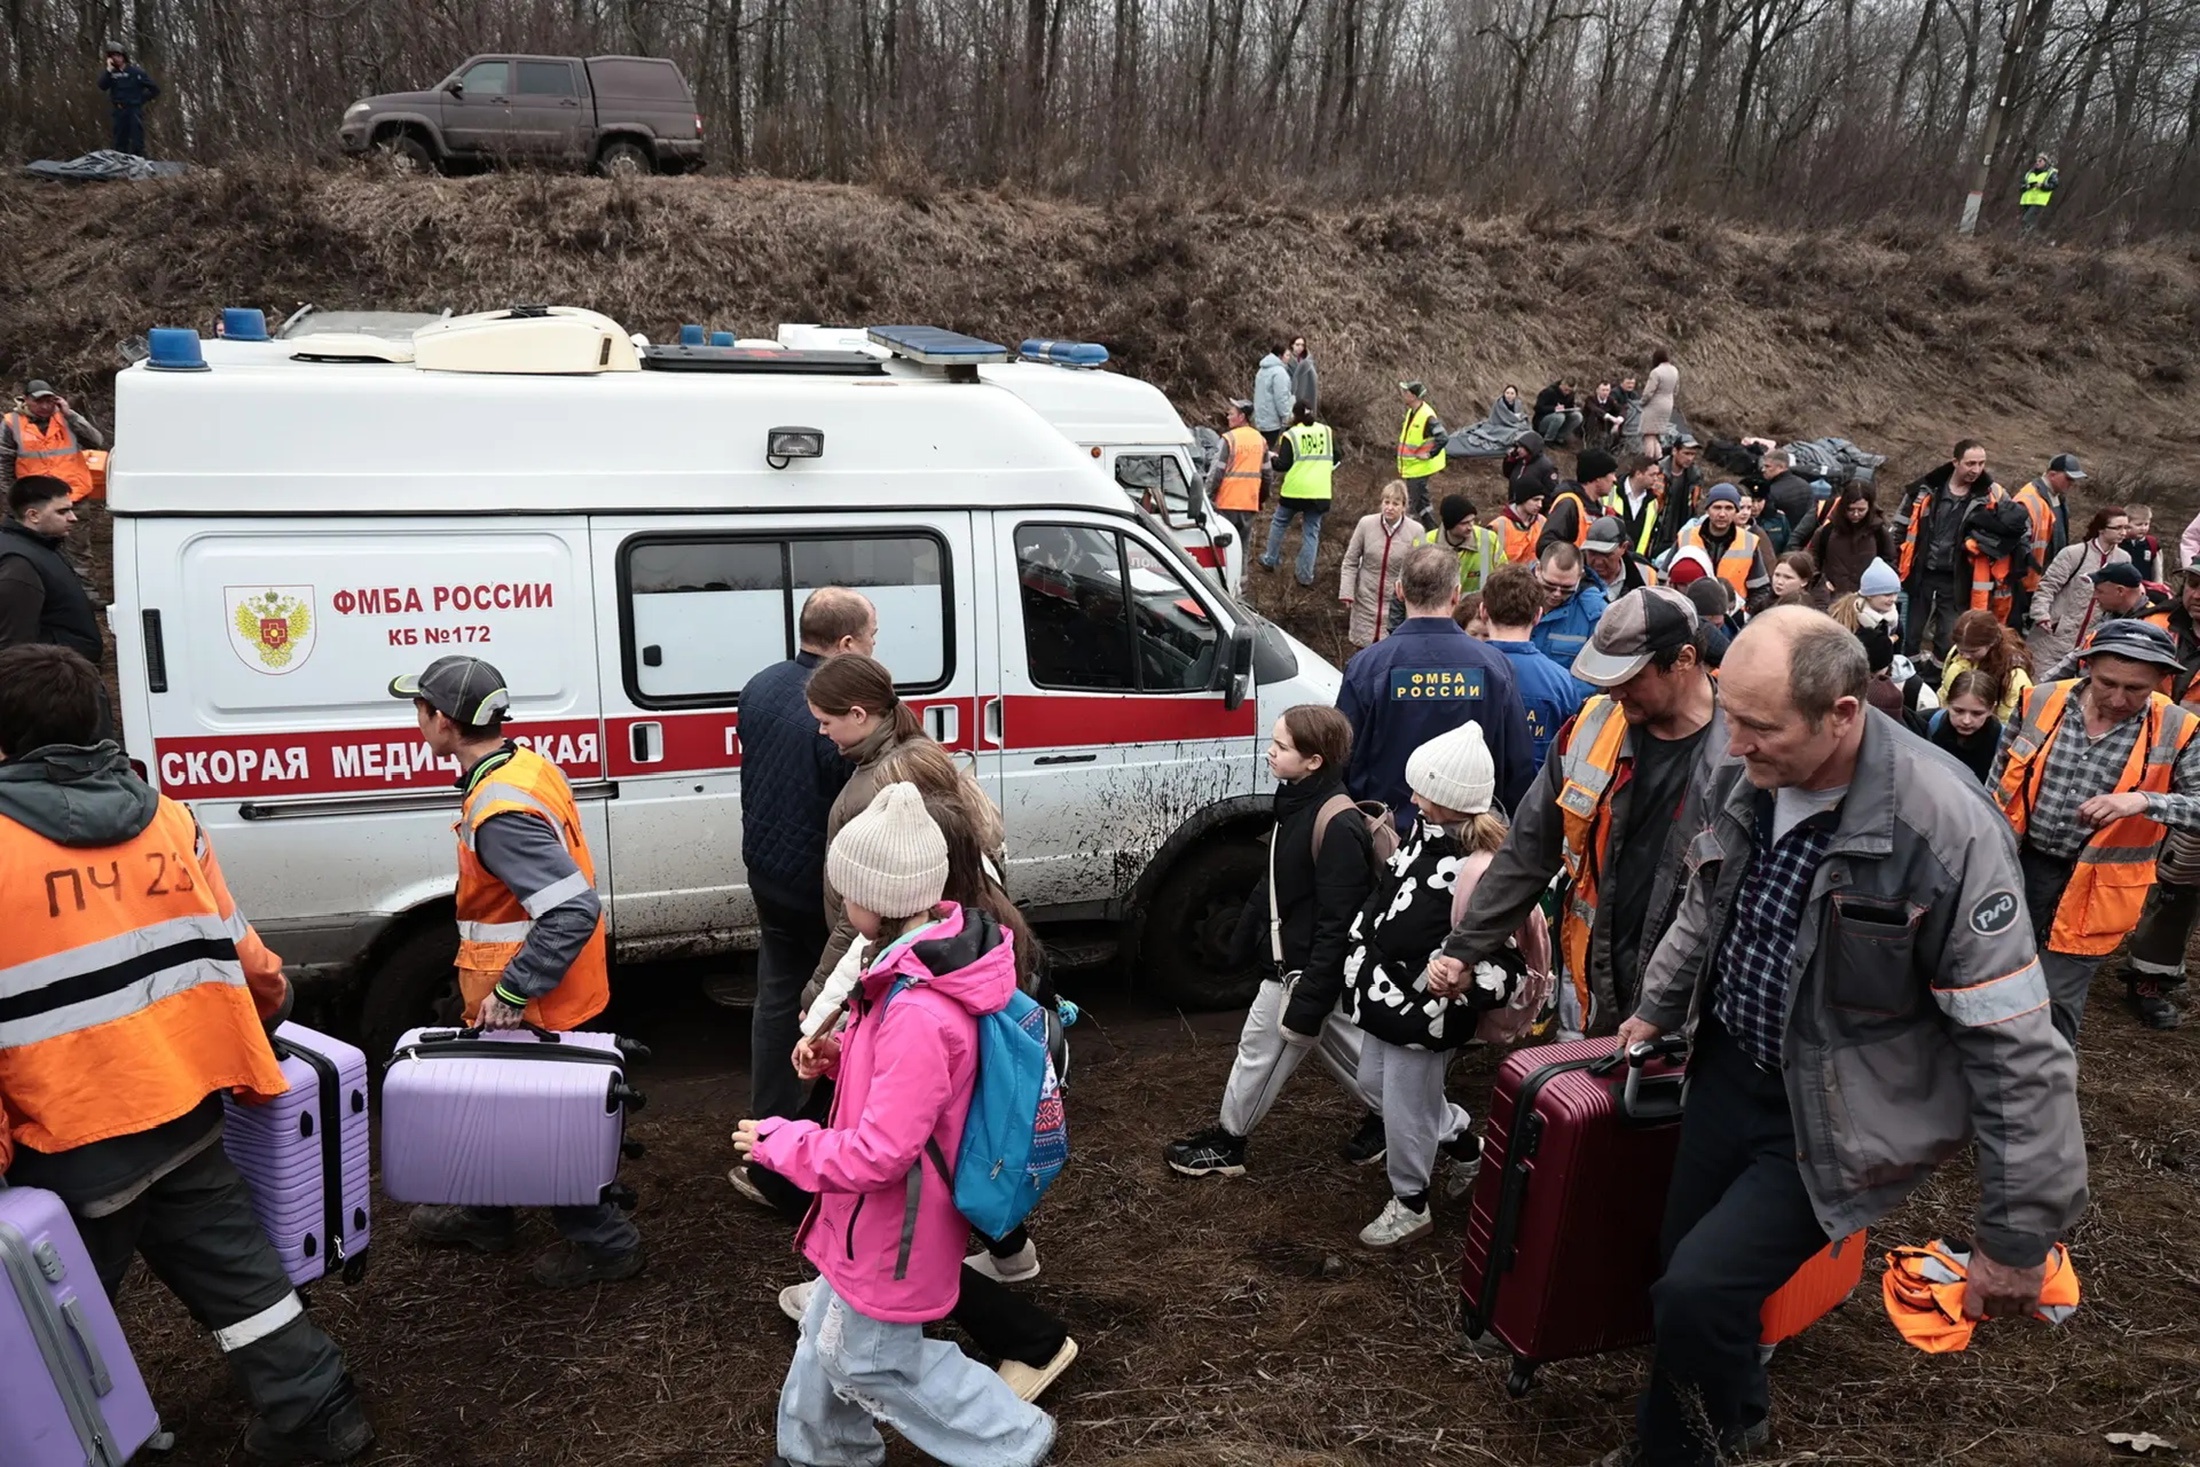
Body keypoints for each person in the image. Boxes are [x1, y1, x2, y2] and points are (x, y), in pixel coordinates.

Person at [1597, 608, 2086, 1467]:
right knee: (1686, 1263)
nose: (1733, 743)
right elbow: (1707, 901)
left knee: (1694, 1292)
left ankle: (1675, 1453)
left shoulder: (1945, 830)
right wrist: (1657, 1007)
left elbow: (2015, 1044)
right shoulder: (1743, 766)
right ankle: (1740, 1410)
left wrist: (2016, 1237)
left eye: (1759, 725)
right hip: (1727, 1071)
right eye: (1730, 715)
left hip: (1832, 1112)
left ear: (1843, 713)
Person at [0, 643, 375, 1463]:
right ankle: (319, 1411)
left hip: (70, 1140)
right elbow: (250, 964)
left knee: (44, 1321)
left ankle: (62, 1444)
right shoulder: (170, 818)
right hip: (187, 1104)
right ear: (99, 723)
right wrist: (266, 1021)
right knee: (236, 1272)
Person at [738, 784, 1055, 1467]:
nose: (841, 906)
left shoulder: (917, 1005)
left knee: (873, 1359)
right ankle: (822, 1451)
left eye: (846, 893)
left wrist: (783, 1142)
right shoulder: (913, 967)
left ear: (875, 898)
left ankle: (1013, 1439)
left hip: (894, 1222)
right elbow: (905, 1085)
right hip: (873, 1215)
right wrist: (837, 1056)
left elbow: (883, 1150)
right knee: (828, 1333)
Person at [391, 656, 642, 1286]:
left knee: (548, 1127)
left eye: (419, 708)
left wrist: (512, 989)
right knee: (496, 1108)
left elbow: (573, 909)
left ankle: (607, 1245)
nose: (416, 720)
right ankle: (487, 1213)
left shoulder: (499, 810)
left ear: (443, 721)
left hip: (532, 1001)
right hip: (539, 990)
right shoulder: (521, 765)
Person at [1435, 587, 1724, 1039]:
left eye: (1630, 677)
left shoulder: (1744, 753)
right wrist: (1465, 947)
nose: (1614, 691)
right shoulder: (1590, 728)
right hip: (1601, 986)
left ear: (1684, 660)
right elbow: (1528, 851)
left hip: (1699, 1005)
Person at [1343, 720, 1546, 1248]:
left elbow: (1507, 964)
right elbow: (1388, 896)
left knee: (1406, 1106)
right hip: (1386, 998)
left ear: (1450, 800)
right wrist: (1362, 944)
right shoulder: (1421, 835)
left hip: (1427, 1013)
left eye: (1423, 791)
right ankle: (1463, 1144)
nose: (1412, 797)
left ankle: (1410, 1203)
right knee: (1374, 1085)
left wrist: (1461, 979)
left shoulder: (1481, 870)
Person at [1164, 706, 1381, 1178]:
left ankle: (1229, 1144)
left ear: (1314, 761)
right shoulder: (1295, 803)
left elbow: (1339, 922)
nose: (1270, 752)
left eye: (1282, 747)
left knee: (1261, 1055)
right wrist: (1246, 937)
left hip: (1303, 975)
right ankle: (1405, 1118)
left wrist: (1310, 995)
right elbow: (1277, 878)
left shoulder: (1337, 827)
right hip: (1300, 970)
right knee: (1361, 1060)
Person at [1991, 619, 2200, 1045]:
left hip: (2097, 890)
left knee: (2055, 1005)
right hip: (2016, 868)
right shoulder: (2039, 700)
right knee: (1992, 980)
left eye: (2136, 689)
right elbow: (1996, 782)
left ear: (2162, 680)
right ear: (2086, 665)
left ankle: (2046, 1082)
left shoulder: (2179, 729)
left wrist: (2144, 802)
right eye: (2107, 683)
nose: (2119, 699)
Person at [737, 589, 872, 1165]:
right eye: (871, 638)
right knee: (833, 1003)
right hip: (820, 889)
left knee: (775, 998)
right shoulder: (839, 712)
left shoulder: (760, 684)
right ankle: (822, 1130)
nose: (873, 648)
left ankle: (766, 1125)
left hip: (767, 872)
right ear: (847, 643)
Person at [1338, 544, 1534, 821]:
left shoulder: (1366, 668)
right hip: (1471, 832)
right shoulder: (1494, 668)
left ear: (1399, 591)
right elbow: (1518, 765)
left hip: (1386, 831)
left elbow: (1342, 759)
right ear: (1456, 594)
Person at [1897, 440, 1999, 661]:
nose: (1976, 470)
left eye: (1981, 463)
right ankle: (1907, 673)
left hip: (1957, 579)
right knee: (1910, 633)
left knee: (1948, 637)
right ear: (1955, 462)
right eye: (1970, 463)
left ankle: (1938, 677)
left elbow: (2011, 529)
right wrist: (1894, 564)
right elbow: (1899, 528)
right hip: (1919, 574)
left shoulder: (1989, 496)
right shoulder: (1924, 490)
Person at [1479, 563, 1583, 767]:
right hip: (1536, 786)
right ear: (1537, 616)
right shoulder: (1560, 681)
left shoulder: (1461, 673)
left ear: (1483, 611)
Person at [0, 476, 102, 664]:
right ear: (33, 516)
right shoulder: (19, 564)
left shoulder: (41, 546)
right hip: (51, 675)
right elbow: (15, 646)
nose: (73, 518)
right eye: (62, 511)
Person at [2029, 507, 2134, 670]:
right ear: (2101, 529)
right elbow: (2048, 585)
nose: (2123, 533)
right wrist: (2041, 615)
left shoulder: (2123, 559)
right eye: (2117, 528)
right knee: (2039, 680)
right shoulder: (2074, 553)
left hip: (2088, 642)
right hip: (2053, 636)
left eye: (2126, 527)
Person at [1261, 401, 1335, 586]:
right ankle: (1305, 576)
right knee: (1311, 533)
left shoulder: (1291, 434)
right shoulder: (1326, 431)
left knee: (1279, 522)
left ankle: (1270, 559)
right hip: (1320, 491)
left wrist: (1271, 458)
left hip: (1295, 490)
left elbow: (1283, 464)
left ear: (1295, 415)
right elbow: (1338, 456)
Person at [1340, 480, 1415, 648]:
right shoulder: (1366, 524)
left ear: (1404, 506)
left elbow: (1418, 571)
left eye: (1395, 503)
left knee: (1389, 650)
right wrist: (1347, 591)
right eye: (1386, 502)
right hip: (1365, 598)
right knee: (1362, 650)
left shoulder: (1416, 531)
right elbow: (1351, 560)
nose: (1389, 507)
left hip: (1396, 605)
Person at [2008, 453, 2081, 623]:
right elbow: (2019, 544)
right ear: (2052, 474)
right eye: (2068, 478)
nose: (2072, 483)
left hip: (2044, 579)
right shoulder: (2028, 499)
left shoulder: (2058, 498)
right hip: (2026, 582)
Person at [1675, 485, 1771, 613]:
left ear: (1736, 511)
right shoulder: (1686, 537)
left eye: (1729, 508)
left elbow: (1760, 588)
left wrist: (1747, 613)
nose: (1722, 514)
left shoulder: (1749, 541)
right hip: (1690, 613)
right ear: (1707, 509)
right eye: (1717, 507)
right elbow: (1664, 580)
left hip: (1732, 615)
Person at [2, 380, 105, 497]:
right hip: (36, 497)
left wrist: (70, 415)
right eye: (38, 401)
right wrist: (13, 496)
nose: (45, 406)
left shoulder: (67, 417)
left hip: (73, 494)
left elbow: (96, 441)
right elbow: (4, 462)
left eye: (49, 401)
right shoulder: (12, 422)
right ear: (25, 399)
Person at [1939, 608, 2035, 723]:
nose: (1965, 656)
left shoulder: (2014, 676)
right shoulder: (1956, 653)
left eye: (1973, 651)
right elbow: (1945, 694)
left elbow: (2009, 720)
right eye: (1961, 650)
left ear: (1992, 643)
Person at [1531, 541, 1609, 680]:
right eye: (1549, 585)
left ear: (1580, 577)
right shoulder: (1512, 597)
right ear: (1538, 570)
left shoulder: (1595, 613)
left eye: (1567, 588)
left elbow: (1596, 673)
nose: (1557, 594)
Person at [1804, 483, 1897, 598]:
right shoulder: (1826, 532)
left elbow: (1890, 564)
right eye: (1851, 509)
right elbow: (1811, 561)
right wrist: (1822, 583)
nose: (1856, 514)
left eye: (1861, 510)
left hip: (1867, 597)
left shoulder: (1880, 533)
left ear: (1870, 507)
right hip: (1831, 597)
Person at [1931, 669, 2004, 783]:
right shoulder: (1935, 724)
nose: (1966, 721)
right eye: (1958, 711)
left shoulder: (2001, 738)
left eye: (1977, 713)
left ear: (1991, 709)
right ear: (1947, 703)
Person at [1212, 399, 1267, 541]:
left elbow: (1216, 473)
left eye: (1231, 414)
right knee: (1242, 547)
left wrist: (1207, 497)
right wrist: (1260, 499)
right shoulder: (1260, 440)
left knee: (1225, 548)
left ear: (1241, 417)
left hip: (1226, 502)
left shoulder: (1229, 439)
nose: (1228, 417)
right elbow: (1267, 475)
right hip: (1249, 503)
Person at [1395, 381, 1449, 524]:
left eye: (1406, 392)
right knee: (1420, 503)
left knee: (1413, 504)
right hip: (1414, 466)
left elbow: (1443, 437)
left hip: (1420, 467)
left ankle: (1412, 531)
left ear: (1414, 396)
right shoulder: (1412, 412)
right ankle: (1432, 529)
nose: (1403, 395)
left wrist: (1430, 454)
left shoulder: (1427, 416)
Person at [1542, 448, 1616, 552]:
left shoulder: (1596, 508)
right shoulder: (1568, 504)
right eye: (1611, 474)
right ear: (1598, 478)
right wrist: (1573, 559)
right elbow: (1547, 545)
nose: (1614, 479)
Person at [97, 43, 161, 156]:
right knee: (120, 142)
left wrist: (140, 99)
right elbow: (102, 86)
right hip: (119, 110)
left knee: (137, 141)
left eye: (118, 56)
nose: (116, 58)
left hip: (133, 110)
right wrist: (108, 70)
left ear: (124, 56)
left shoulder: (136, 73)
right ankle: (121, 163)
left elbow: (155, 89)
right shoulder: (111, 74)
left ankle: (139, 161)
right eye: (113, 56)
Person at [1606, 457, 1671, 561]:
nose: (1656, 479)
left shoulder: (1653, 502)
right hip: (1608, 557)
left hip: (1635, 561)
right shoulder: (1610, 492)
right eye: (1652, 475)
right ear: (1638, 474)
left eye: (1657, 475)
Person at [1584, 514, 1658, 599]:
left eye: (1606, 554)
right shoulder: (1575, 574)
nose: (1598, 562)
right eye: (1592, 553)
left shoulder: (1646, 574)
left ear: (1623, 547)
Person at [1757, 448, 1816, 544]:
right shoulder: (1805, 485)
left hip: (1782, 540)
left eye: (1768, 466)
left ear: (1781, 467)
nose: (1763, 470)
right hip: (1805, 539)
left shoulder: (1772, 491)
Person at [1495, 474, 1547, 565]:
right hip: (1508, 573)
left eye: (1541, 500)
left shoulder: (1541, 521)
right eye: (1535, 500)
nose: (1540, 505)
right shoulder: (1499, 525)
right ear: (1523, 498)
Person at [1637, 349, 1679, 458]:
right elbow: (1676, 390)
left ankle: (1649, 459)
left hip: (1654, 406)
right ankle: (1659, 460)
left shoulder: (1656, 372)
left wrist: (1642, 402)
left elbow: (1649, 392)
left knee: (1648, 435)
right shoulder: (1674, 370)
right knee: (1655, 435)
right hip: (1668, 404)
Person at [1252, 341, 1294, 443]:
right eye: (1287, 355)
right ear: (1280, 356)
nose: (1289, 358)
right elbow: (1281, 397)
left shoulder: (1262, 370)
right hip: (1273, 420)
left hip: (1260, 418)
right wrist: (1287, 417)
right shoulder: (1279, 372)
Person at [1658, 437, 1706, 520]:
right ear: (1674, 451)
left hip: (1683, 523)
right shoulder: (1658, 472)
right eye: (1686, 453)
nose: (1690, 458)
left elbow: (1695, 505)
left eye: (1693, 454)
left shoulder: (1695, 476)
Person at [2020, 152, 2060, 237]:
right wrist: (2029, 186)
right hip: (2026, 201)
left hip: (2038, 201)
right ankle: (2029, 239)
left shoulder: (2051, 173)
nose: (2037, 163)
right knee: (2029, 222)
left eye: (2040, 161)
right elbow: (2021, 186)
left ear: (2046, 162)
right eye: (2037, 161)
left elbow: (2054, 185)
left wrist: (2042, 186)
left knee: (2026, 220)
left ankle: (2023, 238)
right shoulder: (2029, 173)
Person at [1534, 378, 1583, 447]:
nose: (1567, 392)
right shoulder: (1549, 391)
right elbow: (1538, 408)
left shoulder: (1570, 395)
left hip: (1560, 420)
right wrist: (1554, 408)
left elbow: (1569, 407)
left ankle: (1559, 437)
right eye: (1565, 390)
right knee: (1559, 417)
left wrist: (1573, 408)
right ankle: (1548, 439)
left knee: (1578, 416)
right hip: (1542, 420)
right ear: (1561, 385)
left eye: (1570, 391)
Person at [2123, 504, 2162, 583]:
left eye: (2146, 524)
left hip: (2144, 586)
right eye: (2139, 525)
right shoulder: (2118, 542)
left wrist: (2158, 586)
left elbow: (2157, 571)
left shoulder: (2151, 544)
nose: (2143, 528)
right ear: (2127, 524)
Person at [1586, 380, 1626, 453]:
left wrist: (1619, 420)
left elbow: (1621, 409)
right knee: (1594, 416)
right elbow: (1595, 409)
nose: (1605, 392)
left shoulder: (1610, 400)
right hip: (1589, 426)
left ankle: (1614, 449)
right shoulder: (1591, 399)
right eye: (1603, 390)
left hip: (1605, 425)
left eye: (1607, 390)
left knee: (1619, 426)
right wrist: (1610, 417)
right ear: (1597, 390)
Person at [1287, 335, 1319, 416]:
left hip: (1306, 393)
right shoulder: (1287, 360)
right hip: (1291, 395)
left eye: (1302, 345)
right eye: (1297, 345)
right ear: (1292, 345)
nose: (1300, 347)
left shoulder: (1308, 361)